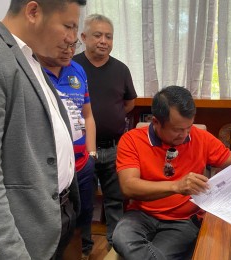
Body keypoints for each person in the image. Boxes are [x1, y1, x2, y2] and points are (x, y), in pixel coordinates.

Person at [0, 0, 86, 259]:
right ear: (33, 12)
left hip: (55, 214)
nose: (72, 39)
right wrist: (10, 251)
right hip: (22, 234)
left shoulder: (28, 55)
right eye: (68, 26)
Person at [113, 86, 231, 259]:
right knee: (121, 238)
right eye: (177, 129)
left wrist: (223, 189)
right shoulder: (132, 140)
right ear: (155, 122)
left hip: (183, 220)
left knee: (159, 253)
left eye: (188, 127)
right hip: (141, 214)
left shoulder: (201, 138)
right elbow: (128, 186)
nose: (184, 135)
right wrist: (176, 186)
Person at [73, 14, 137, 249]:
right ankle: (84, 247)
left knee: (115, 200)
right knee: (83, 202)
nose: (103, 41)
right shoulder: (72, 67)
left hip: (114, 148)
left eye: (108, 36)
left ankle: (115, 245)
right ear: (83, 37)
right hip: (79, 150)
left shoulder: (121, 69)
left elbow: (129, 103)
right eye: (97, 35)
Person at [37, 39, 97, 258]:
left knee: (82, 216)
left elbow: (88, 114)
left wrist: (91, 153)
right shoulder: (32, 70)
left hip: (82, 163)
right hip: (52, 169)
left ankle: (82, 251)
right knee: (53, 224)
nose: (70, 50)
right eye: (63, 45)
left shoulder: (78, 70)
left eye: (74, 45)